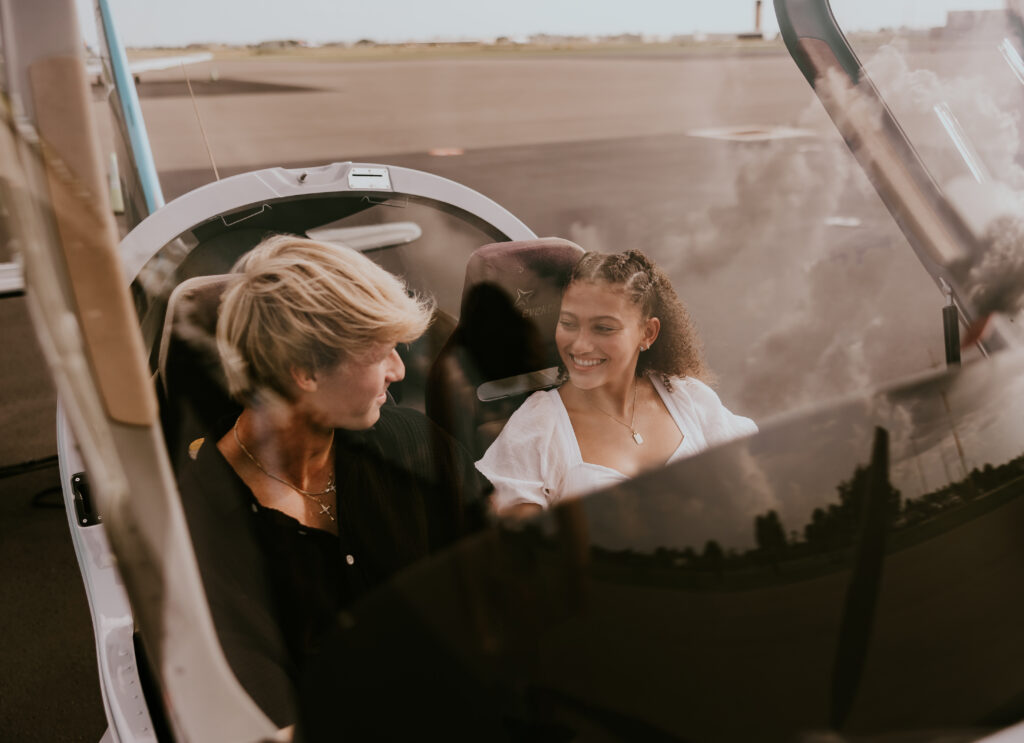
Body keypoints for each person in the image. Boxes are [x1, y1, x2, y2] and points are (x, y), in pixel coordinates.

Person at [174, 235, 487, 727]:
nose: (399, 371)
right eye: (382, 353)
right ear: (304, 371)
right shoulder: (204, 531)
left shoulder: (412, 442)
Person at [476, 249, 757, 518]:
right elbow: (521, 553)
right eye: (569, 323)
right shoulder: (536, 429)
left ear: (648, 333)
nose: (580, 345)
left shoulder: (690, 401)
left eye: (604, 328)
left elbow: (753, 501)